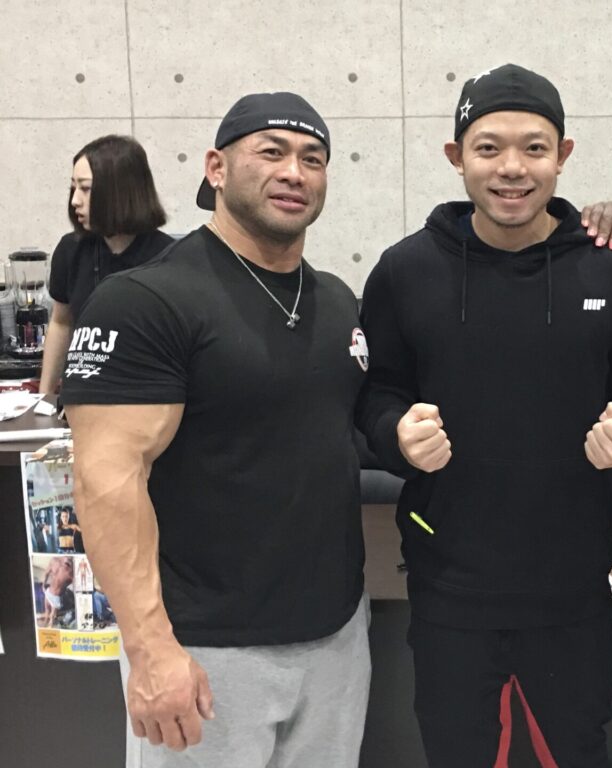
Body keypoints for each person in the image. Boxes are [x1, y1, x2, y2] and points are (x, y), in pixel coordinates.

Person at [357, 63, 612, 767]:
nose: (512, 168)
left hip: (573, 584)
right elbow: (374, 394)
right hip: (449, 584)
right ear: (456, 157)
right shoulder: (405, 271)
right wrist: (395, 433)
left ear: (563, 155)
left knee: (576, 751)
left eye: (534, 148)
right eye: (488, 147)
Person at [61, 92, 371, 768]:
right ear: (217, 168)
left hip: (335, 638)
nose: (294, 172)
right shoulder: (144, 301)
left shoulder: (336, 301)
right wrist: (150, 650)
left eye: (312, 159)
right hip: (203, 651)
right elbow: (105, 483)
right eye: (272, 152)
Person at [40, 135, 173, 394]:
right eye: (73, 188)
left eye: (86, 188)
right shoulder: (71, 249)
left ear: (120, 192)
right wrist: (43, 397)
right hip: (82, 394)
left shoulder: (169, 258)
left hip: (146, 396)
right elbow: (61, 323)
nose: (75, 200)